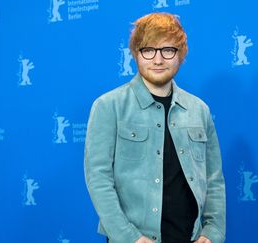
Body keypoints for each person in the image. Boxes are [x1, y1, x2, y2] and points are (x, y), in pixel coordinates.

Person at [84, 12, 225, 243]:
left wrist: (213, 232)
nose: (158, 60)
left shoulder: (200, 110)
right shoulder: (108, 107)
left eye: (168, 50)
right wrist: (130, 238)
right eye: (148, 50)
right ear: (135, 54)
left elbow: (214, 179)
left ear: (181, 55)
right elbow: (98, 180)